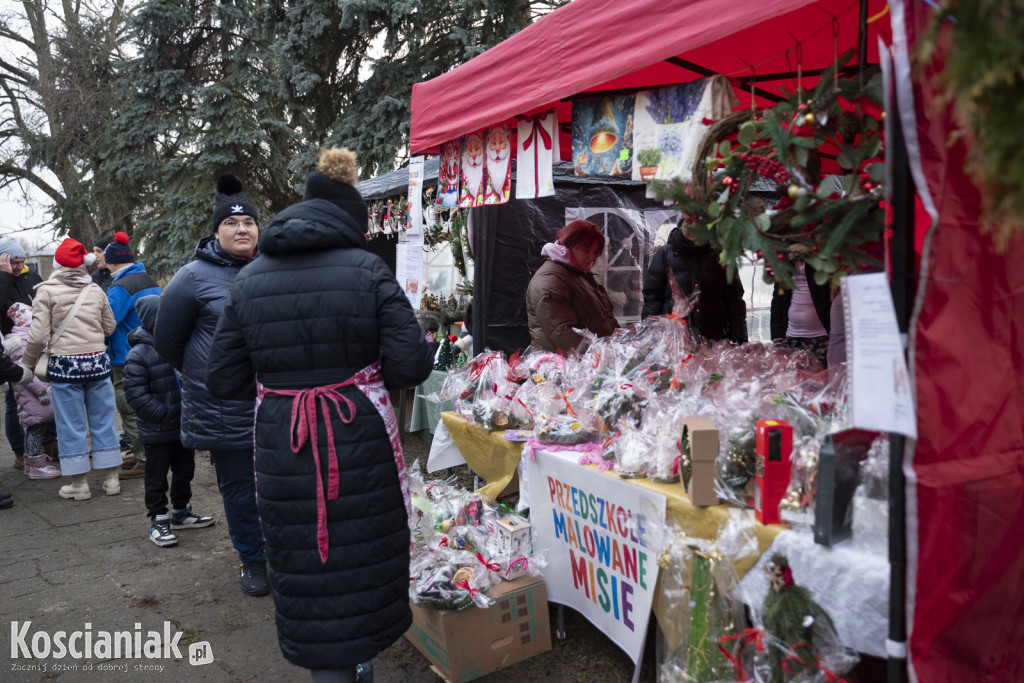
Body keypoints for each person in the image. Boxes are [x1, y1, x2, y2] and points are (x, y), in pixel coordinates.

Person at [207, 147, 433, 682]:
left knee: (300, 552)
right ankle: (358, 661)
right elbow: (410, 367)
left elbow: (222, 379)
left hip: (282, 438)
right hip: (359, 433)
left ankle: (331, 669)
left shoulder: (249, 280)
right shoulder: (368, 270)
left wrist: (283, 383)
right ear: (352, 221)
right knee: (362, 544)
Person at [155, 173, 268, 596]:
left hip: (277, 402)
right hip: (224, 404)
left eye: (249, 223)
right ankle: (252, 560)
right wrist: (206, 372)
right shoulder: (192, 277)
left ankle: (284, 552)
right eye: (231, 224)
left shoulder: (274, 267)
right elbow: (167, 341)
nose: (242, 230)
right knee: (239, 488)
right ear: (216, 231)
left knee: (281, 485)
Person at [18, 238, 120, 500]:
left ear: (57, 265)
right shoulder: (95, 290)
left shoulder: (46, 291)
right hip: (97, 364)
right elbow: (110, 327)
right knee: (103, 420)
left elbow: (39, 337)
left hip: (65, 368)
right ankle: (111, 480)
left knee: (70, 424)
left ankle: (80, 484)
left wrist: (26, 365)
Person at [124, 295, 214, 547]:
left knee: (185, 471)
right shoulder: (139, 355)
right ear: (153, 322)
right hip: (158, 429)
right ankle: (158, 520)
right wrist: (162, 414)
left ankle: (181, 511)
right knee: (156, 476)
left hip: (182, 427)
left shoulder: (179, 346)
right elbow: (136, 396)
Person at [103, 232, 161, 479]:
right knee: (148, 404)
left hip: (125, 357)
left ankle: (144, 459)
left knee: (129, 406)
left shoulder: (119, 287)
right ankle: (150, 455)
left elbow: (108, 322)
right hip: (153, 351)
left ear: (113, 261)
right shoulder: (149, 279)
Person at [525, 219, 619, 353]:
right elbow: (564, 334)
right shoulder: (550, 280)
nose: (592, 257)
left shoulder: (578, 275)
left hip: (590, 364)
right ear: (569, 244)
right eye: (586, 250)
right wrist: (606, 355)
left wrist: (621, 341)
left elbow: (604, 319)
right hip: (560, 368)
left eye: (595, 251)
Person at [4, 304, 60, 479]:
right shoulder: (22, 343)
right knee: (36, 428)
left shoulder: (19, 339)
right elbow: (27, 373)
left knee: (33, 429)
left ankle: (30, 462)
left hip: (30, 395)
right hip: (33, 395)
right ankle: (37, 465)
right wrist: (41, 391)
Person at [0, 236, 42, 471]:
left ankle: (44, 445)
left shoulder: (31, 276)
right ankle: (19, 451)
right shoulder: (2, 278)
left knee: (43, 392)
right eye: (13, 262)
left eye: (21, 262)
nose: (18, 266)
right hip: (11, 347)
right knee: (14, 400)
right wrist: (4, 275)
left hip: (36, 343)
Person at [770, 256, 832, 368]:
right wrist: (777, 337)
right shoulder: (785, 259)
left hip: (822, 339)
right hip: (791, 338)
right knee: (791, 383)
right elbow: (778, 300)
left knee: (820, 381)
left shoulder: (821, 257)